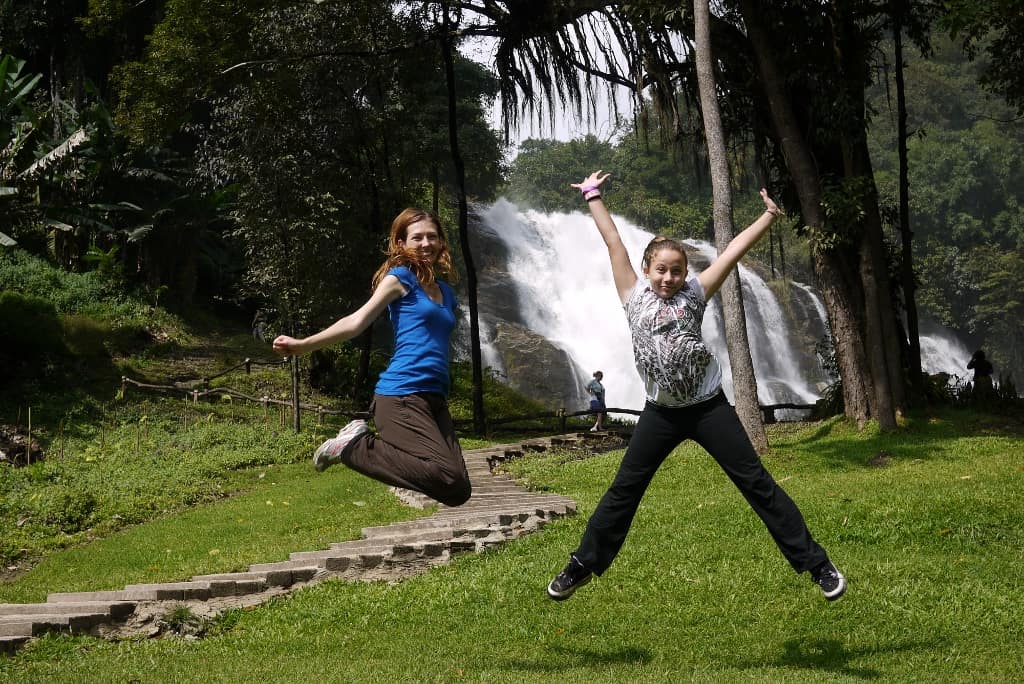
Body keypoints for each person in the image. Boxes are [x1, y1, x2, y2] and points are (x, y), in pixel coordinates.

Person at [547, 170, 846, 603]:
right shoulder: (632, 293)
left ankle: (817, 564)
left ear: (687, 273)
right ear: (647, 269)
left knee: (756, 483)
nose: (668, 278)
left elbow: (733, 252)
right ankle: (581, 565)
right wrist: (593, 195)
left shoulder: (697, 292)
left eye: (676, 271)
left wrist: (767, 217)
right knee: (624, 489)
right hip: (661, 412)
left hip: (708, 408)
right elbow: (613, 241)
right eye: (661, 270)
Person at [272, 208, 471, 508]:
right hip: (402, 394)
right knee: (448, 477)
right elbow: (356, 322)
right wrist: (304, 345)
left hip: (435, 398)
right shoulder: (400, 279)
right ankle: (352, 447)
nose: (426, 243)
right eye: (417, 238)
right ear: (402, 244)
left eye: (432, 236)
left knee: (458, 490)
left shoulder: (446, 292)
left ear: (442, 242)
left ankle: (356, 445)